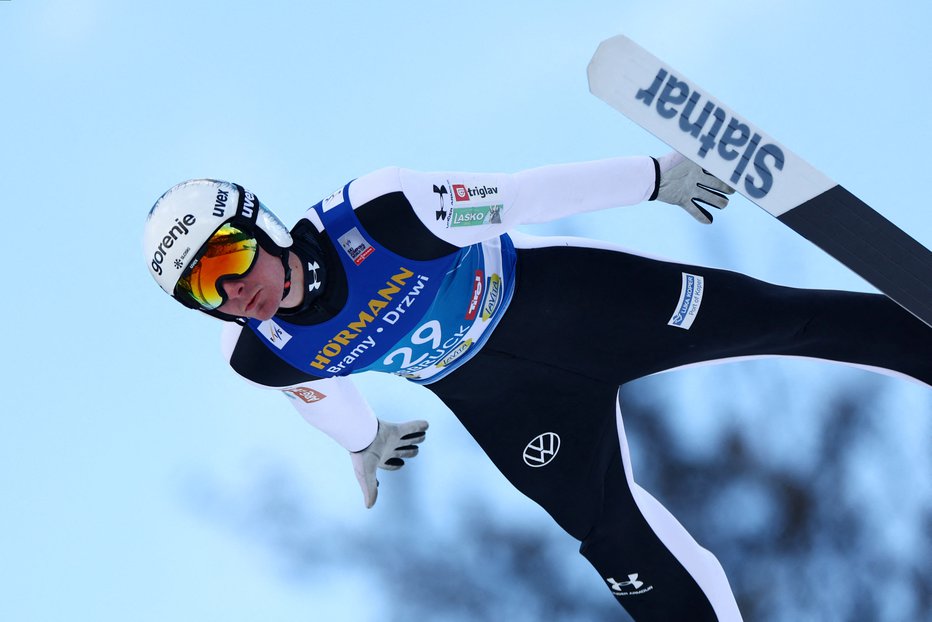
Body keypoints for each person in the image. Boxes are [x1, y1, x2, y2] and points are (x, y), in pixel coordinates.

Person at [143, 153, 931, 622]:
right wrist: (366, 440)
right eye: (202, 290)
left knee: (775, 321)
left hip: (567, 304)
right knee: (616, 543)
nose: (229, 291)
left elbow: (523, 196)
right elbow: (317, 389)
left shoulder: (383, 213)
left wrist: (654, 178)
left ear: (260, 224)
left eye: (227, 260)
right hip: (504, 403)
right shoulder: (262, 354)